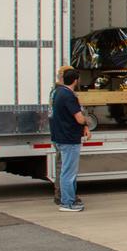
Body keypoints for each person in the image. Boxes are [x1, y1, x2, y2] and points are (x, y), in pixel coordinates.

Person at [51, 68, 89, 211]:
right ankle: (67, 202)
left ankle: (69, 199)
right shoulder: (68, 95)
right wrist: (86, 122)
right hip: (69, 139)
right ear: (75, 80)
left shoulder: (58, 93)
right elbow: (79, 118)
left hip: (60, 137)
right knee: (69, 172)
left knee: (66, 171)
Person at [49, 65, 79, 207]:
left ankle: (65, 194)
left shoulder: (56, 93)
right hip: (66, 134)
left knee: (63, 166)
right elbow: (77, 114)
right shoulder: (65, 93)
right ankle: (64, 196)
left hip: (58, 133)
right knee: (66, 168)